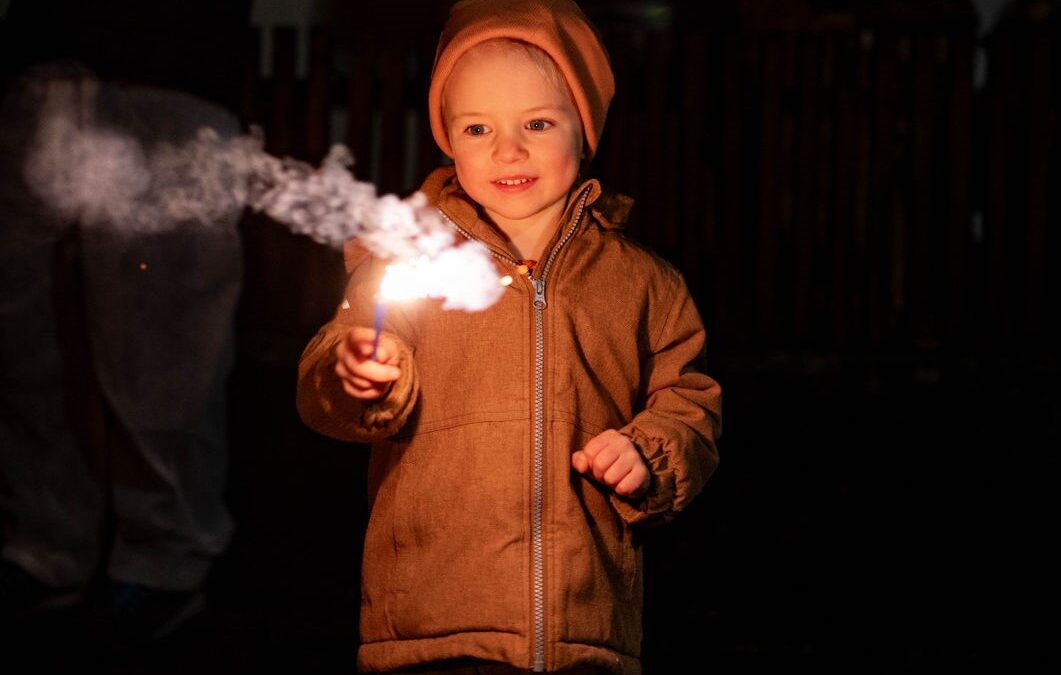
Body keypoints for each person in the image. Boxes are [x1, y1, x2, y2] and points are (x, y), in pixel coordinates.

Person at [296, 1, 721, 672]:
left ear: (584, 131)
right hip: (431, 625)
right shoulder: (407, 260)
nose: (507, 149)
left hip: (583, 630)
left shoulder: (642, 283)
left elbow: (689, 401)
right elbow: (334, 391)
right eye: (477, 127)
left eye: (538, 123)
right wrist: (352, 374)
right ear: (448, 142)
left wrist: (649, 452)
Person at [0, 62, 243, 645]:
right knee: (28, 336)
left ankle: (165, 562)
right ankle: (43, 547)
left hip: (166, 65)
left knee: (162, 347)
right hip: (40, 61)